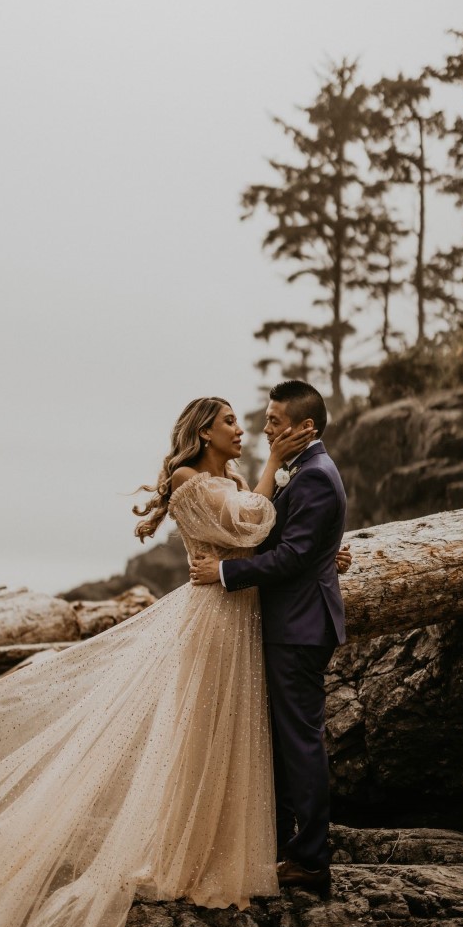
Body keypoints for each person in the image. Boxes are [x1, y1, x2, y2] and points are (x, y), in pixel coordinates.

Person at [0, 396, 319, 927]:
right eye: (230, 421)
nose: (243, 429)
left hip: (239, 616)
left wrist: (320, 552)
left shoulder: (224, 476)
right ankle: (184, 858)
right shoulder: (187, 479)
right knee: (200, 731)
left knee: (230, 734)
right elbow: (252, 523)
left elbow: (267, 536)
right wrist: (272, 466)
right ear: (204, 432)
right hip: (214, 621)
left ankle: (217, 856)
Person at [190, 380, 347, 897]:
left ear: (306, 427)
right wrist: (329, 553)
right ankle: (282, 847)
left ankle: (311, 861)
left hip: (299, 628)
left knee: (301, 743)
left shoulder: (316, 476)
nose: (265, 428)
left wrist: (226, 575)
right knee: (284, 741)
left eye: (275, 421)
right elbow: (291, 539)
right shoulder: (300, 472)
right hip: (289, 623)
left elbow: (294, 556)